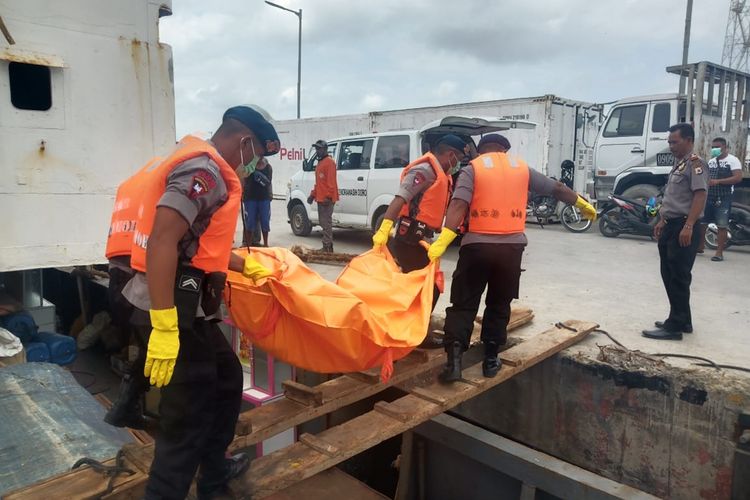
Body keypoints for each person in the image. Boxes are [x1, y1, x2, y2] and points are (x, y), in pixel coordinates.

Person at [117, 105, 279, 499]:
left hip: (191, 306)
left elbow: (199, 245)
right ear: (244, 142)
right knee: (187, 416)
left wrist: (247, 267)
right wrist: (165, 326)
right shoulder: (203, 172)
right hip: (169, 306)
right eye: (257, 153)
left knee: (226, 380)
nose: (255, 164)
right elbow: (162, 241)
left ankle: (214, 474)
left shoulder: (205, 167)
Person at [427, 133, 597, 382]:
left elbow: (458, 205)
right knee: (499, 303)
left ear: (482, 150)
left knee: (463, 303)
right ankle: (491, 358)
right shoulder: (521, 168)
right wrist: (581, 202)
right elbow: (557, 189)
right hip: (511, 250)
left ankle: (454, 363)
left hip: (476, 247)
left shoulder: (473, 169)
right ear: (504, 150)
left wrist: (443, 239)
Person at [371, 134, 467, 312]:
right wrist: (384, 230)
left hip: (422, 240)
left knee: (424, 288)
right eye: (459, 159)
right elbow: (400, 199)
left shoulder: (442, 174)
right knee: (428, 289)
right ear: (450, 154)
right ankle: (410, 330)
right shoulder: (424, 171)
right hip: (409, 240)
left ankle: (412, 329)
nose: (458, 164)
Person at [642, 123, 708, 341]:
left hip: (683, 226)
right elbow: (674, 198)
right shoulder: (679, 164)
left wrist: (689, 225)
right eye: (669, 142)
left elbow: (699, 195)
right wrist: (662, 220)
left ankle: (674, 327)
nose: (670, 146)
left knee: (678, 276)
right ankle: (683, 319)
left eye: (674, 142)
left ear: (688, 140)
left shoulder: (695, 164)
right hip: (672, 224)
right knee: (669, 274)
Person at [696, 137, 743, 261]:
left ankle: (719, 252)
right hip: (709, 196)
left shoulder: (732, 160)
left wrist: (718, 181)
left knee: (722, 225)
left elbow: (738, 178)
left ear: (725, 147)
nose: (714, 149)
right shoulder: (711, 161)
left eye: (717, 147)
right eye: (713, 147)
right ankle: (700, 246)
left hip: (724, 197)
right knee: (702, 222)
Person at [307, 139, 339, 252]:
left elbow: (331, 182)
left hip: (326, 199)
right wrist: (312, 195)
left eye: (319, 149)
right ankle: (328, 245)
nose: (317, 151)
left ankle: (327, 246)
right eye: (316, 149)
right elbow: (319, 183)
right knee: (323, 222)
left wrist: (328, 197)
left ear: (325, 149)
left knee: (326, 223)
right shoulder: (320, 163)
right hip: (321, 198)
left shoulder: (329, 163)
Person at [243, 161, 273, 247]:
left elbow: (269, 182)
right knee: (250, 222)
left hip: (264, 198)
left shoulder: (268, 167)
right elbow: (243, 178)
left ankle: (266, 244)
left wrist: (270, 194)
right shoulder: (249, 166)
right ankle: (248, 244)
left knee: (265, 221)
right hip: (250, 198)